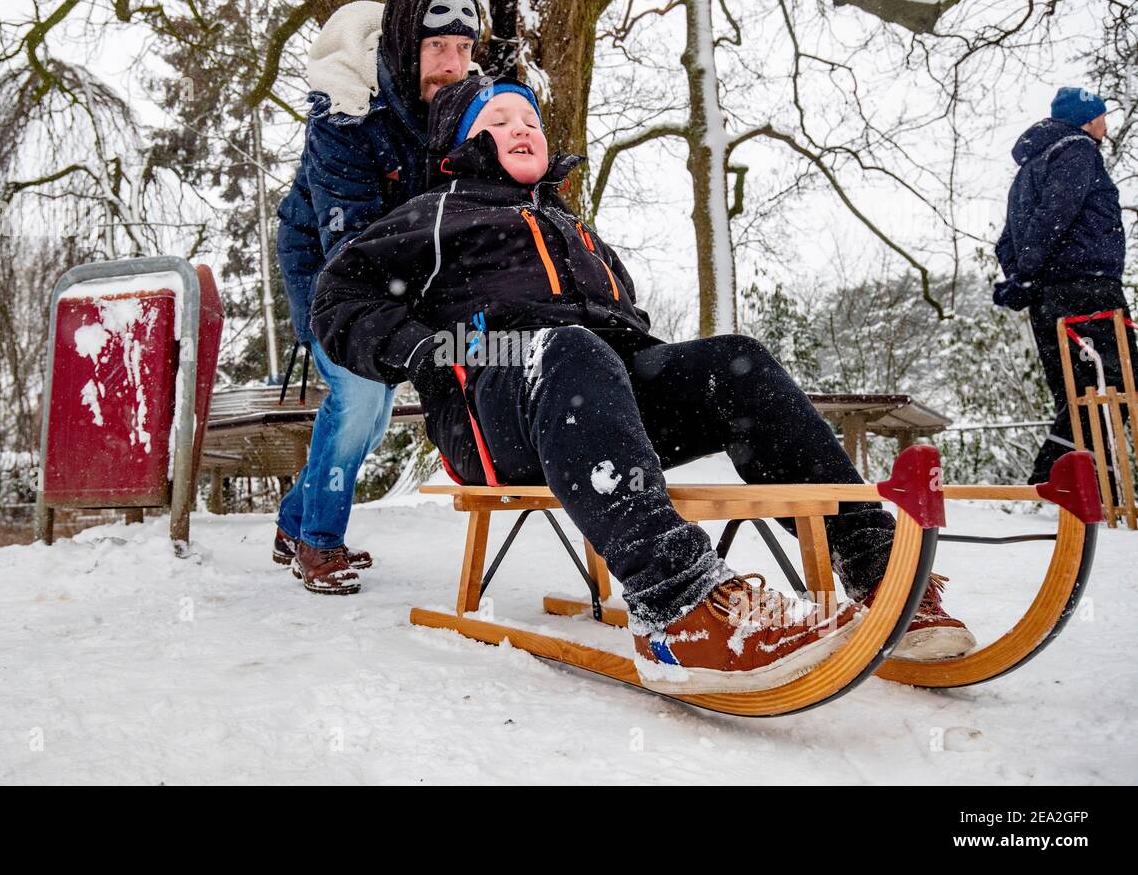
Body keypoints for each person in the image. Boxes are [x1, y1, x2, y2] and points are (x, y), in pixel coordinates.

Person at [311, 76, 975, 692]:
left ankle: (880, 572)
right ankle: (681, 604)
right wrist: (426, 349)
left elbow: (625, 322)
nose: (522, 128)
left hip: (594, 399)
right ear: (462, 146)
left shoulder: (576, 230)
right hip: (493, 404)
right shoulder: (435, 214)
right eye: (499, 119)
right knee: (569, 348)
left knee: (733, 361)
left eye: (531, 120)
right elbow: (337, 296)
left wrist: (673, 378)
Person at [274, 0, 482, 594]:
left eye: (465, 48)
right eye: (436, 46)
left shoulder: (465, 111)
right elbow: (349, 244)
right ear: (403, 44)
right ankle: (317, 544)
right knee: (361, 396)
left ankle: (294, 521)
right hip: (330, 265)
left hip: (403, 271)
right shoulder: (346, 117)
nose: (453, 64)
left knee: (371, 412)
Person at [994, 86, 1134, 485]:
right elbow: (1057, 214)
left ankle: (1085, 486)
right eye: (1102, 115)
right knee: (1119, 385)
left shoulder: (1027, 172)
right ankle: (1055, 483)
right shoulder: (1077, 151)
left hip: (1049, 299)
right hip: (1088, 290)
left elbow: (1007, 240)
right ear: (1087, 119)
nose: (1106, 123)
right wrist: (1028, 273)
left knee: (1077, 396)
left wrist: (1023, 278)